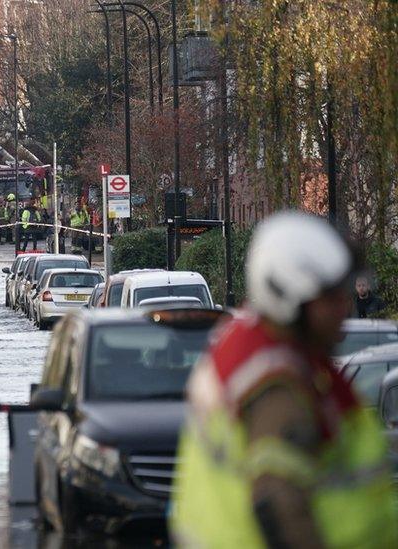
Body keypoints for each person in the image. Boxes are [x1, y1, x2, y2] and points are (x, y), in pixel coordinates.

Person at [171, 211, 398, 548]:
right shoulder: (277, 384)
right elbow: (278, 504)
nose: (343, 306)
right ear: (291, 299)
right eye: (330, 297)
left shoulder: (254, 345)